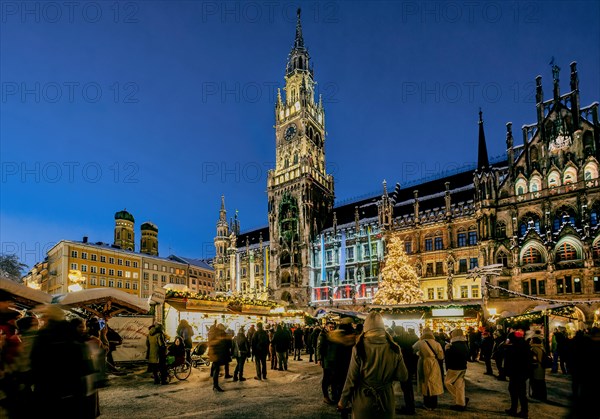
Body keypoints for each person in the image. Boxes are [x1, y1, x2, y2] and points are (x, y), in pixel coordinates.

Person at [337, 312, 408, 419]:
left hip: (363, 400)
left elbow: (351, 379)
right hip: (386, 400)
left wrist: (343, 401)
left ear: (366, 328)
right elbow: (403, 376)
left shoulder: (359, 347)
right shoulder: (394, 348)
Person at [413, 327, 444, 410]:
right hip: (434, 363)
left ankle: (427, 403)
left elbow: (413, 350)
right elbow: (441, 357)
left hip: (423, 363)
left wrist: (419, 353)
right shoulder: (437, 343)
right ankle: (434, 404)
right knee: (434, 382)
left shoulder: (420, 343)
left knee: (425, 382)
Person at [503, 330, 530, 418]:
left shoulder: (513, 347)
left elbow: (509, 360)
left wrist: (507, 345)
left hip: (516, 372)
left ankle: (520, 410)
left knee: (516, 391)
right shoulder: (525, 345)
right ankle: (518, 409)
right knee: (519, 392)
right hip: (523, 372)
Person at [444, 328, 470, 411]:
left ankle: (461, 400)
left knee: (447, 382)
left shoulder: (453, 346)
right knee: (459, 385)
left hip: (454, 368)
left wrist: (447, 350)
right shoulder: (464, 344)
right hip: (462, 367)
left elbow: (449, 357)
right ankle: (460, 403)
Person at [208, 324, 231, 392]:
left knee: (217, 369)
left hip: (216, 354)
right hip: (217, 355)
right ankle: (215, 386)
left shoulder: (213, 333)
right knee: (216, 370)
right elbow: (214, 343)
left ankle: (215, 385)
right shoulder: (217, 334)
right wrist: (222, 339)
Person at [529, 336, 547, 401]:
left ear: (534, 341)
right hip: (542, 367)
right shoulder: (541, 348)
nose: (530, 341)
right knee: (541, 382)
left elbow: (533, 359)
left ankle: (536, 394)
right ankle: (542, 395)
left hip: (536, 367)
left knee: (535, 382)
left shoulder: (533, 348)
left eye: (531, 340)